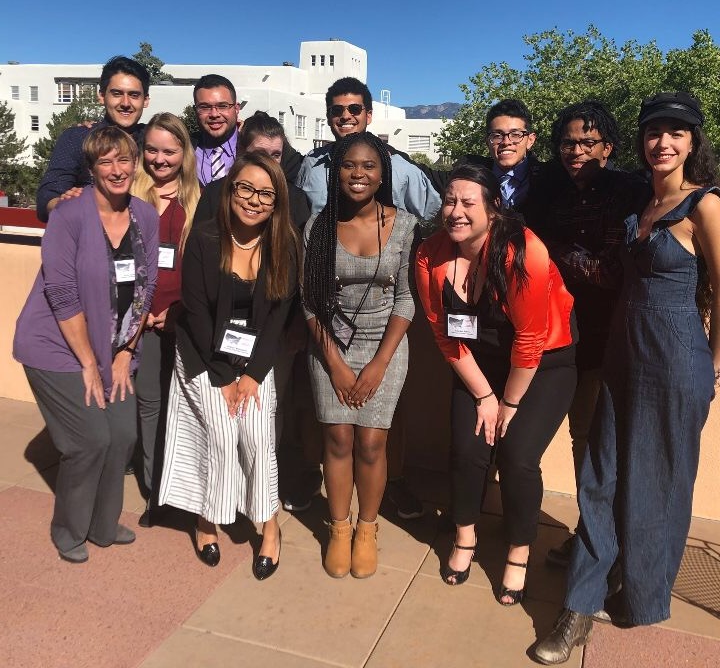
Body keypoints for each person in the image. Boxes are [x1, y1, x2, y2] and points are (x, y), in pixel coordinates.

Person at [533, 92, 720, 664]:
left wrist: (713, 363)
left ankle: (635, 590)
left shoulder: (706, 205)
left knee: (658, 485)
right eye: (654, 132)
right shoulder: (641, 204)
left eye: (676, 133)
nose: (662, 142)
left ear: (693, 142)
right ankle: (580, 605)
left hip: (676, 359)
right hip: (621, 354)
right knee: (599, 477)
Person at [415, 163, 576, 604]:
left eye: (469, 202)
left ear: (494, 209)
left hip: (542, 364)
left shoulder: (523, 251)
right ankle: (464, 535)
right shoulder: (430, 254)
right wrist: (484, 395)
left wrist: (508, 403)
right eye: (450, 200)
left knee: (518, 454)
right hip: (478, 363)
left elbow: (531, 339)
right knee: (468, 449)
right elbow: (442, 332)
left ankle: (518, 551)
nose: (457, 212)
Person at [13, 126, 159, 563]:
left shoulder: (144, 216)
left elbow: (145, 288)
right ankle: (69, 528)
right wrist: (89, 363)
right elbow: (61, 292)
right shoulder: (70, 215)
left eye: (125, 160)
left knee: (122, 435)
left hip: (113, 346)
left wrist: (123, 353)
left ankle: (102, 524)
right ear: (92, 168)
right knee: (89, 440)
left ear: (136, 164)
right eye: (106, 162)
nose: (117, 170)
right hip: (57, 345)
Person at [158, 151, 299, 579]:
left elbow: (278, 317)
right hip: (203, 356)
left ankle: (269, 525)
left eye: (266, 194)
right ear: (230, 189)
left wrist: (252, 376)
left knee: (257, 434)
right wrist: (224, 379)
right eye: (246, 188)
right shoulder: (203, 240)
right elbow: (198, 315)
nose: (254, 200)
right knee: (221, 432)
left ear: (277, 202)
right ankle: (207, 518)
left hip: (254, 359)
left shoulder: (285, 244)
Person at [526, 101, 646, 568]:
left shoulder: (628, 191)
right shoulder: (549, 189)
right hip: (557, 335)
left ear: (608, 148)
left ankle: (602, 544)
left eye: (587, 143)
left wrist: (549, 249)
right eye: (567, 143)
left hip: (608, 338)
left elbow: (608, 272)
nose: (575, 151)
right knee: (578, 440)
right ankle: (589, 534)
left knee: (598, 444)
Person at [303, 132, 417, 579]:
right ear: (336, 171)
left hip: (384, 345)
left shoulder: (404, 225)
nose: (358, 174)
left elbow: (406, 301)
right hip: (329, 343)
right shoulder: (318, 226)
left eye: (369, 166)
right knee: (338, 440)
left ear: (382, 173)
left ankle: (367, 529)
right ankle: (338, 527)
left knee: (371, 442)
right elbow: (310, 302)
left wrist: (378, 364)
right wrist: (334, 364)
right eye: (349, 165)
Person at [130, 113, 200, 526]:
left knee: (186, 407)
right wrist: (140, 314)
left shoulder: (198, 198)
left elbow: (201, 268)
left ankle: (187, 492)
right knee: (150, 406)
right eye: (152, 149)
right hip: (140, 322)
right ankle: (157, 493)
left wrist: (176, 313)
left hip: (184, 318)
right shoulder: (129, 194)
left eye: (169, 151)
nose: (159, 158)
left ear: (183, 154)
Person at [296, 76, 441, 219]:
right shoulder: (312, 163)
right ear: (328, 117)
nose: (346, 116)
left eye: (355, 109)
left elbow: (435, 215)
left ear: (369, 116)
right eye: (337, 110)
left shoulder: (400, 168)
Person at [36, 56, 151, 222]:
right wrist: (67, 205)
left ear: (145, 100)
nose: (126, 103)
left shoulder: (153, 140)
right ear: (102, 96)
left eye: (134, 95)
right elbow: (48, 195)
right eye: (117, 94)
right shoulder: (77, 137)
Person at [194, 110, 310, 228]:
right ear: (240, 150)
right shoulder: (215, 193)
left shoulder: (295, 199)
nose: (268, 162)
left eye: (276, 155)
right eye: (260, 154)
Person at [192, 75, 302, 188]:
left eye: (222, 106)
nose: (214, 114)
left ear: (236, 108)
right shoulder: (185, 148)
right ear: (195, 110)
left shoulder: (267, 146)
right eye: (204, 107)